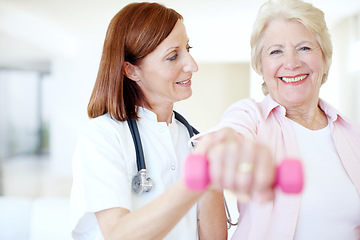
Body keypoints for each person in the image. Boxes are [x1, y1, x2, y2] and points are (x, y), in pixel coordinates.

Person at [70, 2, 276, 240]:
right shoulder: (102, 137)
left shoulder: (195, 141)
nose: (192, 65)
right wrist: (195, 180)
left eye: (188, 48)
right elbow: (117, 234)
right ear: (132, 71)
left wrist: (212, 172)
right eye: (172, 56)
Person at [199, 0, 360, 239]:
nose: (292, 63)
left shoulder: (353, 133)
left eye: (304, 48)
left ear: (325, 59)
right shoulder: (251, 117)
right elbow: (222, 144)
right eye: (276, 51)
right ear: (261, 66)